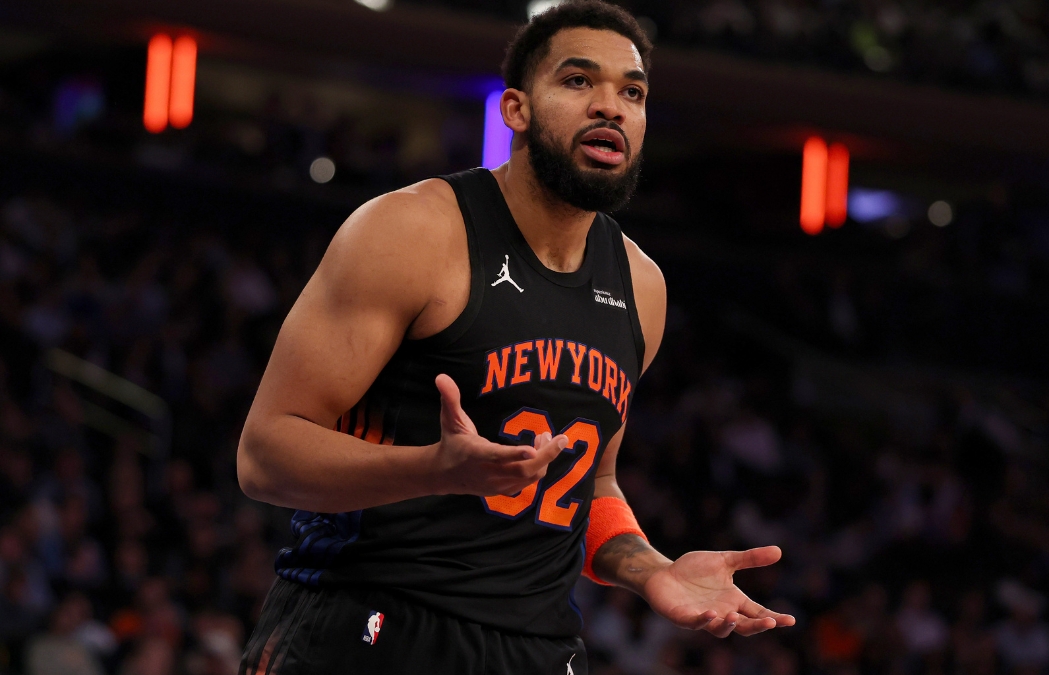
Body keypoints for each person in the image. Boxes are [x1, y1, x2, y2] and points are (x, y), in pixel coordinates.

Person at [235, 2, 794, 672]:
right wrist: (432, 471)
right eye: (579, 81)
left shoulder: (642, 285)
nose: (611, 106)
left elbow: (593, 481)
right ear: (515, 110)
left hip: (536, 646)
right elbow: (264, 455)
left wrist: (651, 570)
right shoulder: (412, 232)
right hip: (369, 622)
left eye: (632, 91)